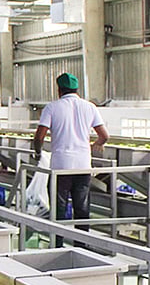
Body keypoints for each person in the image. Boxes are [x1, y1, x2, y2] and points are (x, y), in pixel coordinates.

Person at [32, 74, 109, 228]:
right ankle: (82, 240)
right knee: (82, 208)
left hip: (61, 166)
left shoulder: (52, 107)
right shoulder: (90, 107)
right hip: (83, 166)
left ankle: (58, 240)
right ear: (76, 89)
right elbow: (104, 136)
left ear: (59, 90)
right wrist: (97, 144)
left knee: (59, 209)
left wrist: (38, 153)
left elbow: (39, 137)